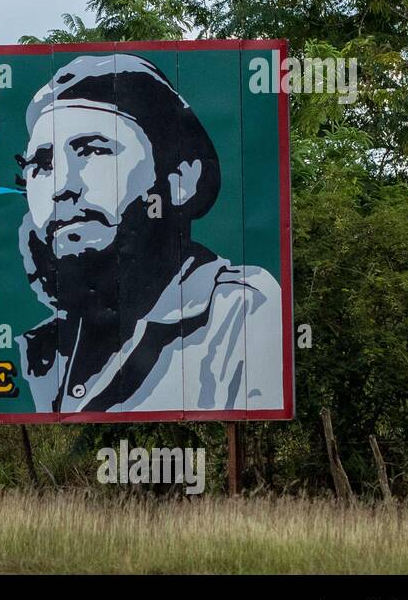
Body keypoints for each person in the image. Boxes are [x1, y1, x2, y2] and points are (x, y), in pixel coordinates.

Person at [16, 54, 283, 413]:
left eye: (93, 150)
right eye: (42, 165)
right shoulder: (37, 350)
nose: (61, 187)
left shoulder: (237, 311)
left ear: (180, 179)